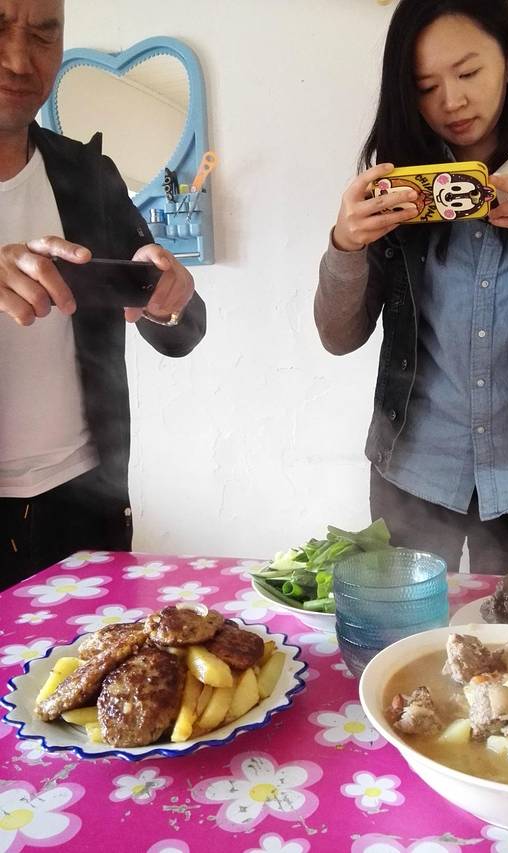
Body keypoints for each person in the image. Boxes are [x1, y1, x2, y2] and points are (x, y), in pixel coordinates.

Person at [314, 0, 508, 574]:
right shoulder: (396, 180)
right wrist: (345, 243)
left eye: (467, 72)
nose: (451, 101)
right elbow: (338, 337)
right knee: (410, 623)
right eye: (425, 86)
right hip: (414, 467)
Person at [0, 0, 206, 588]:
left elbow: (184, 328)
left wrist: (168, 300)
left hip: (88, 501)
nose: (20, 60)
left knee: (109, 650)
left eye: (44, 34)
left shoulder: (88, 174)